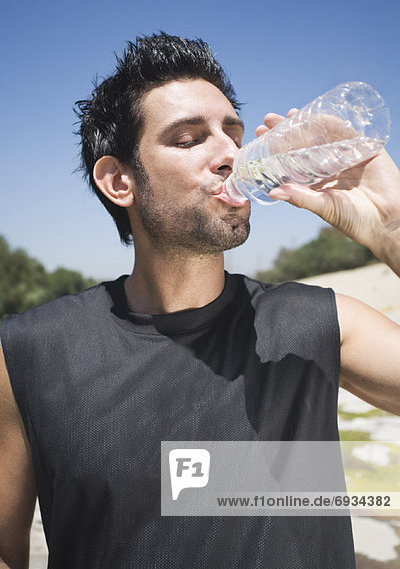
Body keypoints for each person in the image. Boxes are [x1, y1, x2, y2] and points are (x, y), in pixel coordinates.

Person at [0, 33, 399, 569]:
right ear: (119, 181)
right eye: (189, 139)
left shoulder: (318, 325)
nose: (230, 155)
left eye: (233, 133)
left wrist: (393, 229)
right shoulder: (30, 352)